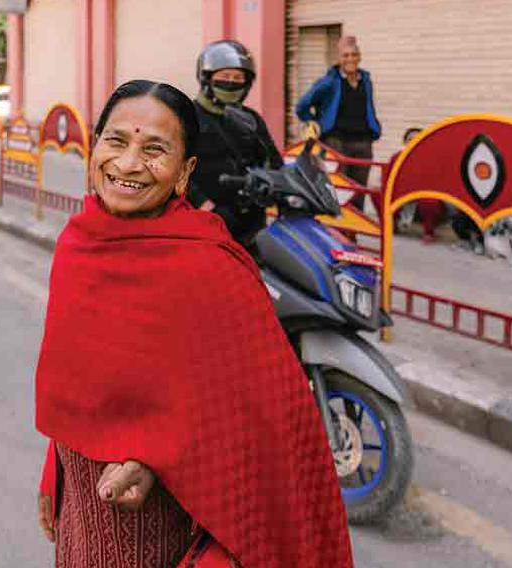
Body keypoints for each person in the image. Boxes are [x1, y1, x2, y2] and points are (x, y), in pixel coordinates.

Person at [35, 80, 352, 567]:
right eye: (116, 141)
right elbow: (79, 390)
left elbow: (261, 431)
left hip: (163, 534)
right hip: (81, 521)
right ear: (94, 147)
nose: (128, 163)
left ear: (185, 174)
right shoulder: (77, 246)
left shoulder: (208, 267)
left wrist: (154, 463)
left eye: (154, 150)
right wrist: (53, 473)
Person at [188, 40, 283, 247]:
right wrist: (205, 206)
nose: (231, 82)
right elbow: (175, 169)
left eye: (238, 78)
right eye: (224, 77)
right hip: (208, 221)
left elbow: (274, 160)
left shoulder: (251, 119)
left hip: (253, 220)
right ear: (206, 78)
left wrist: (277, 185)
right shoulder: (189, 117)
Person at [296, 35, 381, 208]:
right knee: (339, 191)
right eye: (345, 55)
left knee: (359, 191)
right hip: (336, 142)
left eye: (353, 55)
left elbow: (368, 107)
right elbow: (301, 106)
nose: (350, 59)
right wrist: (315, 124)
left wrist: (374, 127)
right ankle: (337, 232)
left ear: (359, 57)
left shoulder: (365, 80)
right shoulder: (328, 82)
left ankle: (353, 233)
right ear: (339, 58)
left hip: (363, 142)